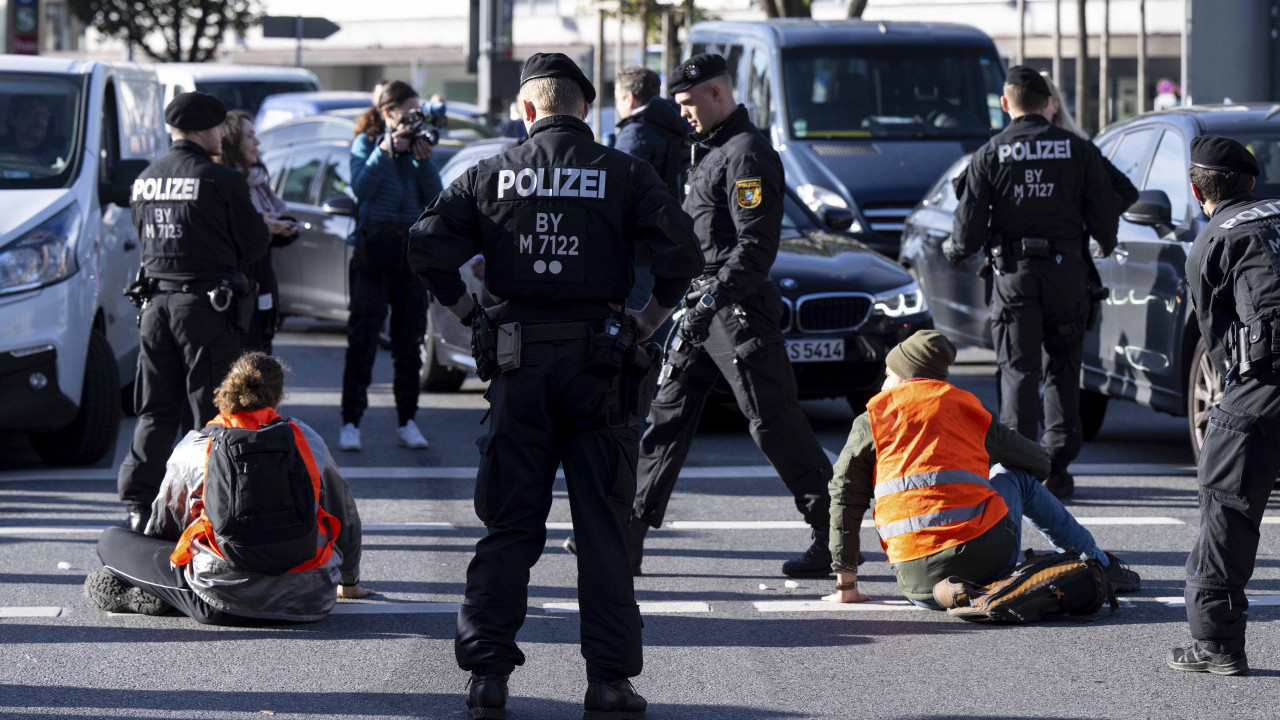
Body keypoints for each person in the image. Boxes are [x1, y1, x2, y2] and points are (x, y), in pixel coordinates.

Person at [408, 52, 701, 720]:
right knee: (602, 528)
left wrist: (469, 314)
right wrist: (649, 320)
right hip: (601, 365)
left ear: (529, 110)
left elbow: (423, 248)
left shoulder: (489, 173)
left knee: (509, 526)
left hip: (519, 365)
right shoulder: (625, 173)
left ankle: (487, 676)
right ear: (585, 110)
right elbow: (684, 254)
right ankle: (609, 684)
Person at [630, 54, 835, 579]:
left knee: (774, 423)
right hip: (703, 306)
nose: (684, 115)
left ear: (716, 94)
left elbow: (754, 249)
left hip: (736, 309)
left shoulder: (746, 153)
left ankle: (833, 533)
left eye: (687, 104)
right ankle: (625, 534)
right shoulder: (712, 150)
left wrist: (711, 300)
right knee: (666, 418)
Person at [823, 330, 1140, 608]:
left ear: (905, 376)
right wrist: (970, 457)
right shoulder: (965, 407)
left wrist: (846, 586)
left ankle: (1090, 561)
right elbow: (1039, 463)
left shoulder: (872, 420)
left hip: (920, 587)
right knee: (1013, 476)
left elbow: (844, 495)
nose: (883, 384)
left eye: (888, 375)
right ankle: (1096, 562)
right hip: (986, 565)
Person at [86, 352, 372, 624]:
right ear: (278, 396)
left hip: (221, 599)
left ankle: (160, 595)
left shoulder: (197, 446)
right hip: (310, 597)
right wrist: (349, 583)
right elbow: (344, 512)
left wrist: (155, 575)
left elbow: (166, 526)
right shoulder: (307, 439)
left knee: (110, 540)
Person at [945, 67, 1120, 500]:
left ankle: (1023, 469)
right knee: (1063, 367)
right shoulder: (1078, 150)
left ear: (1006, 104)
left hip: (1014, 277)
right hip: (1066, 277)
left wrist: (953, 251)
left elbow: (965, 235)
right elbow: (1107, 222)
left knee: (1018, 371)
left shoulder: (990, 154)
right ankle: (1058, 468)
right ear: (1046, 105)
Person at [117, 92, 270, 532]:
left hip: (155, 308)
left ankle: (138, 504)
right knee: (213, 410)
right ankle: (214, 500)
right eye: (220, 127)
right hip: (203, 307)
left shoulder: (146, 178)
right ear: (204, 129)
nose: (223, 134)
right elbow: (254, 243)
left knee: (154, 410)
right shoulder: (220, 179)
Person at [1167, 136, 1280, 676]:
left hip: (1264, 387)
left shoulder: (1212, 240)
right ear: (1253, 181)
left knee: (1226, 507)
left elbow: (1217, 347)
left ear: (1196, 191)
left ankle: (1217, 645)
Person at [340, 79, 443, 452]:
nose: (414, 119)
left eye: (419, 111)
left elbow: (434, 198)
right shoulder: (367, 143)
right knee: (363, 338)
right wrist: (384, 151)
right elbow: (360, 189)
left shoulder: (420, 145)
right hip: (374, 249)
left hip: (410, 251)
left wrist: (423, 161)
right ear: (388, 113)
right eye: (408, 112)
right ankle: (351, 421)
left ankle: (408, 420)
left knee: (409, 339)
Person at [216, 109, 300, 353]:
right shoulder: (227, 183)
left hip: (263, 286)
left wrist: (285, 228)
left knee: (262, 357)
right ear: (233, 142)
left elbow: (270, 232)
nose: (257, 142)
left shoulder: (258, 181)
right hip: (239, 292)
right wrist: (260, 225)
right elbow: (231, 234)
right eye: (249, 136)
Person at [615, 65, 694, 315]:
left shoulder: (635, 134)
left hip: (641, 251)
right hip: (674, 242)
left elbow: (621, 196)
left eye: (617, 99)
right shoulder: (677, 121)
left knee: (638, 331)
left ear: (629, 98)